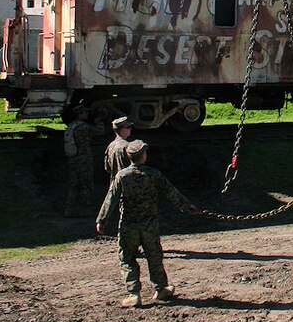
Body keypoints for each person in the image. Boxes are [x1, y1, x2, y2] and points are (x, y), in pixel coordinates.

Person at [96, 140, 199, 308]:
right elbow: (171, 192)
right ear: (143, 156)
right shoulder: (153, 174)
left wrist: (102, 220)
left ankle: (133, 294)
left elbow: (111, 199)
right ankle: (161, 288)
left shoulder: (121, 176)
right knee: (154, 257)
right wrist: (188, 207)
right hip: (150, 225)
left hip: (129, 225)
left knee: (127, 258)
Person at [64, 106, 104, 217]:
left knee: (74, 184)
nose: (87, 115)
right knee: (86, 183)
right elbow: (100, 131)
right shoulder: (83, 127)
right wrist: (98, 119)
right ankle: (85, 209)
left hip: (73, 159)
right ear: (80, 114)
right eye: (85, 113)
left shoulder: (72, 126)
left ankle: (69, 209)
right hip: (84, 159)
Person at [104, 116, 134, 181]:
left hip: (115, 183)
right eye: (128, 127)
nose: (130, 129)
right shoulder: (127, 146)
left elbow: (107, 168)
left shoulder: (111, 146)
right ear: (122, 130)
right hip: (127, 183)